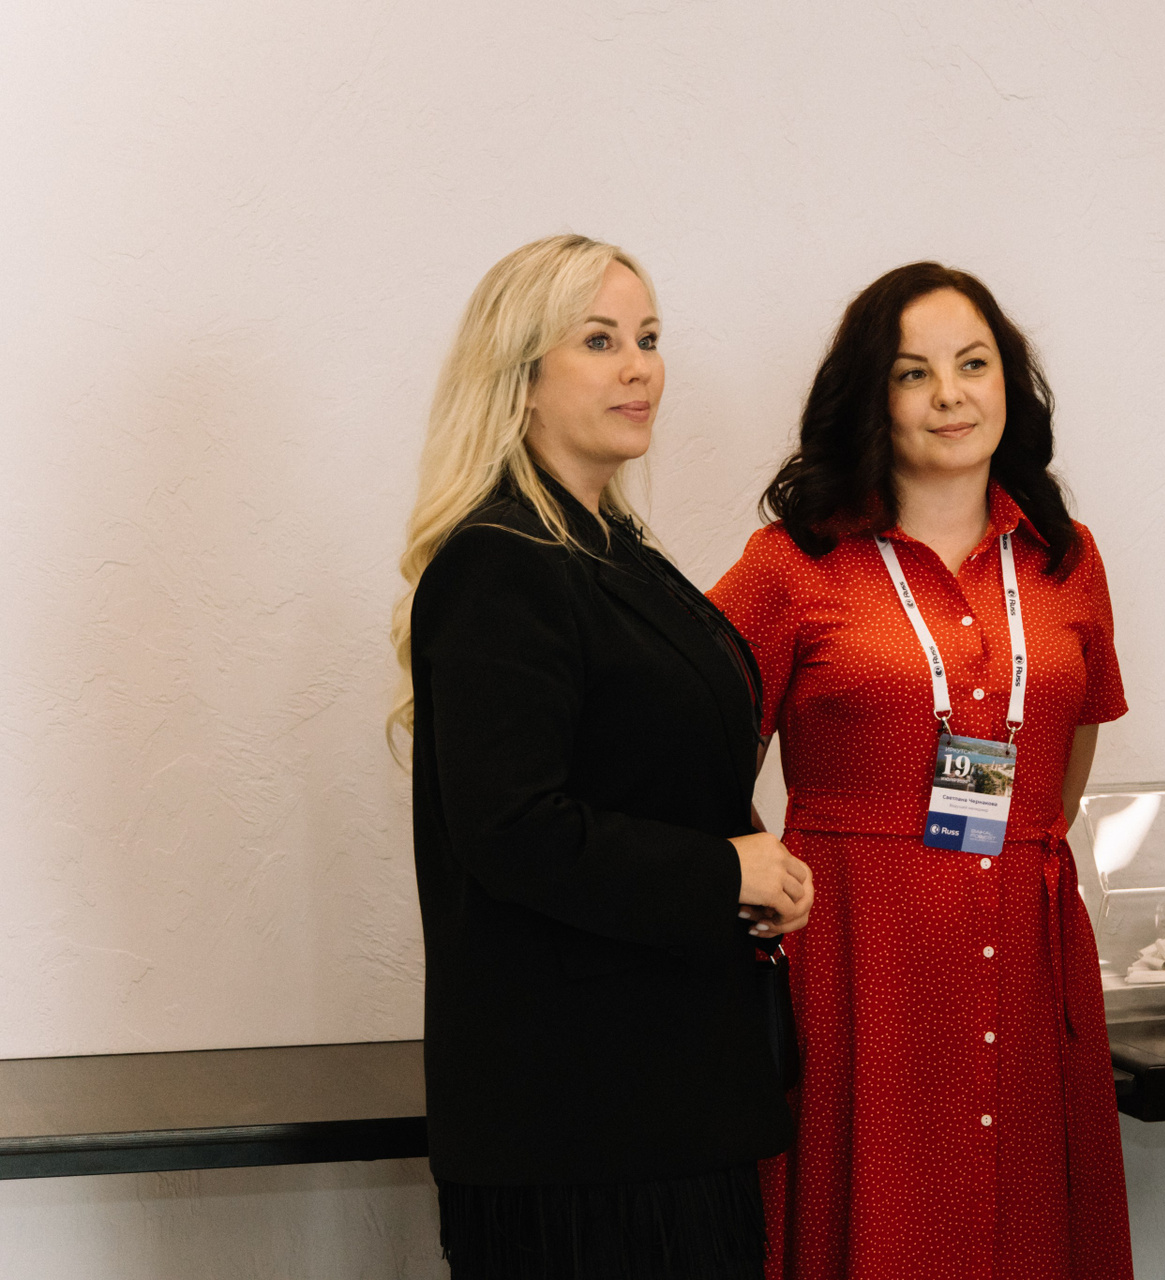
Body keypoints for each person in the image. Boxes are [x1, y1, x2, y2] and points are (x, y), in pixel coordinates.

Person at [393, 234, 813, 1280]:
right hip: (578, 1121)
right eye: (600, 341)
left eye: (649, 339)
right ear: (520, 376)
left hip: (663, 1092)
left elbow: (647, 768)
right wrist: (721, 871)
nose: (639, 368)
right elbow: (511, 827)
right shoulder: (502, 562)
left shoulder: (613, 551)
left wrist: (752, 864)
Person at [709, 262, 1133, 1280]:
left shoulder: (1068, 557)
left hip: (1027, 952)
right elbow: (694, 751)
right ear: (872, 396)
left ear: (1008, 382)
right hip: (860, 960)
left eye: (973, 364)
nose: (950, 394)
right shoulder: (792, 563)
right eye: (914, 372)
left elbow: (1068, 752)